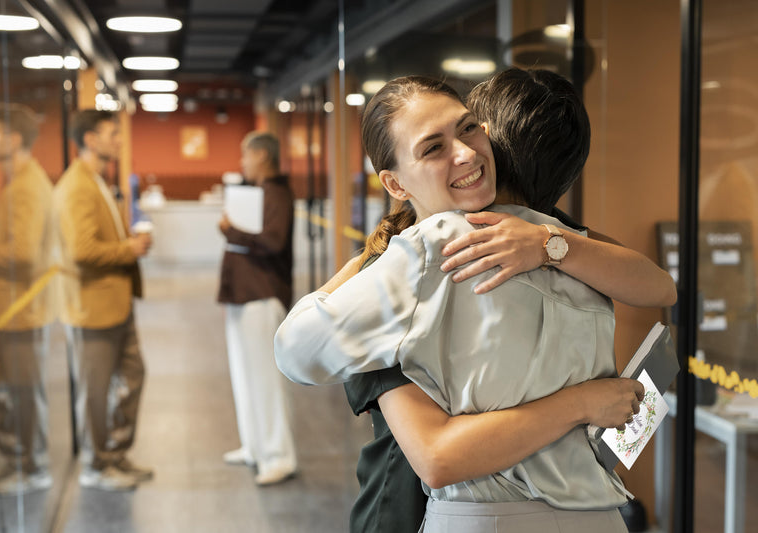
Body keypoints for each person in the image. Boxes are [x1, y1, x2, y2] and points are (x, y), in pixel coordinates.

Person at [274, 74, 667, 532]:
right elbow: (662, 287)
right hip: (599, 518)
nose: (464, 153)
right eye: (433, 147)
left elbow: (294, 349)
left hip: (473, 516)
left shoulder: (431, 255)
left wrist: (365, 266)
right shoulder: (579, 252)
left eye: (467, 128)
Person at [55, 109, 153, 491]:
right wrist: (129, 249)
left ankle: (115, 453)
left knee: (133, 376)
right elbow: (81, 250)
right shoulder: (76, 186)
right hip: (91, 310)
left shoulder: (96, 181)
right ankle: (97, 465)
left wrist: (131, 243)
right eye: (112, 133)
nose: (119, 140)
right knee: (95, 392)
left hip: (116, 304)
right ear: (90, 139)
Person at [0, 104, 55, 494]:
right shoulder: (17, 181)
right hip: (11, 310)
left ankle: (30, 469)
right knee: (14, 391)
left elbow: (23, 254)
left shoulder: (26, 186)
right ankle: (19, 464)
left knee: (21, 393)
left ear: (16, 138)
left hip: (19, 311)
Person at [218, 131, 298, 486]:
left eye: (246, 155)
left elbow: (272, 241)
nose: (243, 162)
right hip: (241, 292)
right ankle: (254, 445)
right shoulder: (258, 193)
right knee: (243, 374)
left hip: (261, 295)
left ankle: (278, 456)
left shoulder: (277, 193)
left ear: (263, 156)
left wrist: (232, 231)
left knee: (264, 380)